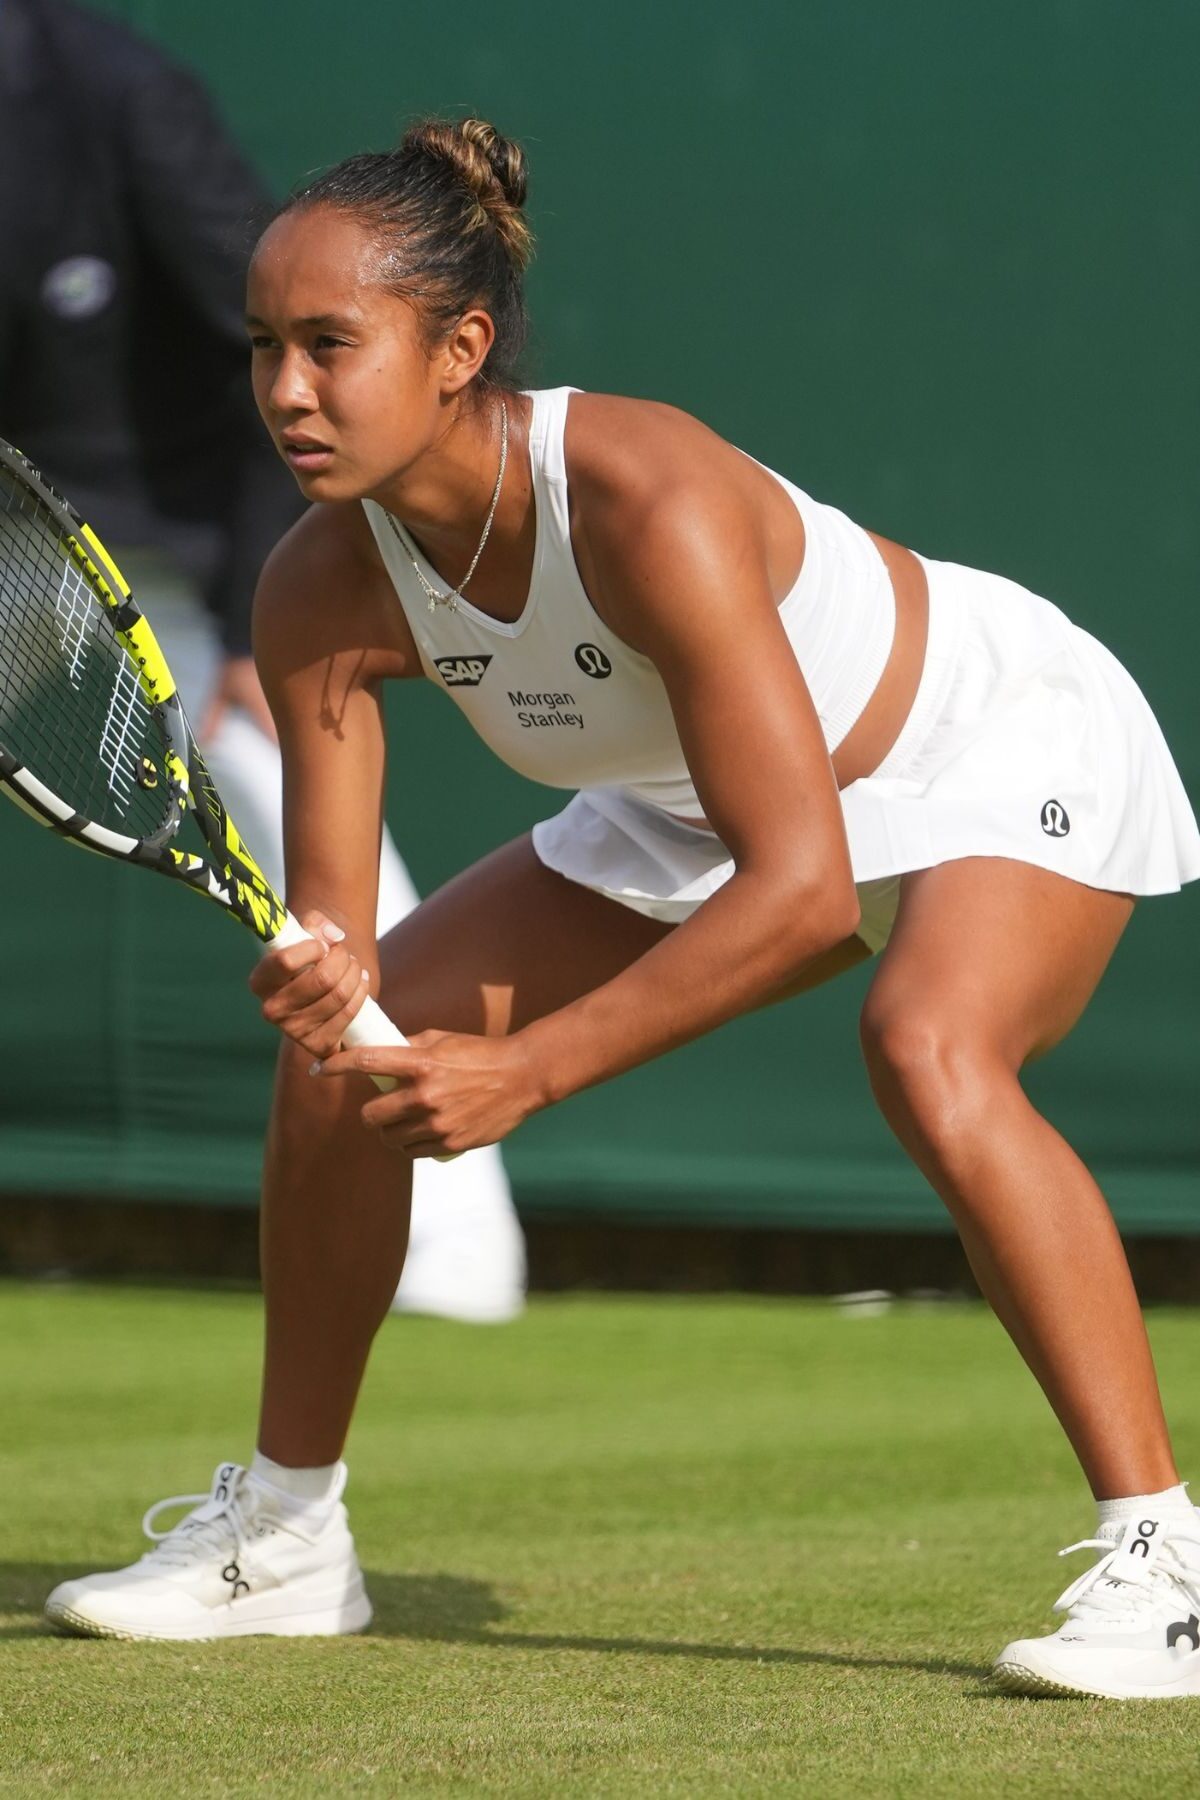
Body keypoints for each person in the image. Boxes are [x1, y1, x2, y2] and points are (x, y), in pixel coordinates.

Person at [43, 116, 1200, 1701]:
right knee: (333, 1077)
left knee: (931, 1047)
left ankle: (1167, 1569)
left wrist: (526, 1073)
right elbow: (340, 942)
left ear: (459, 349)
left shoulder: (642, 491)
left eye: (331, 345)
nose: (287, 392)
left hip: (985, 739)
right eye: (263, 350)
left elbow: (799, 894)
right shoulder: (319, 584)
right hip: (683, 814)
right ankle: (291, 1538)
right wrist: (331, 984)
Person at [0, 0, 525, 1324]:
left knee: (324, 856)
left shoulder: (117, 91)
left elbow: (295, 351)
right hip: (29, 522)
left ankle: (457, 1249)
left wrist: (251, 616)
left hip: (193, 546)